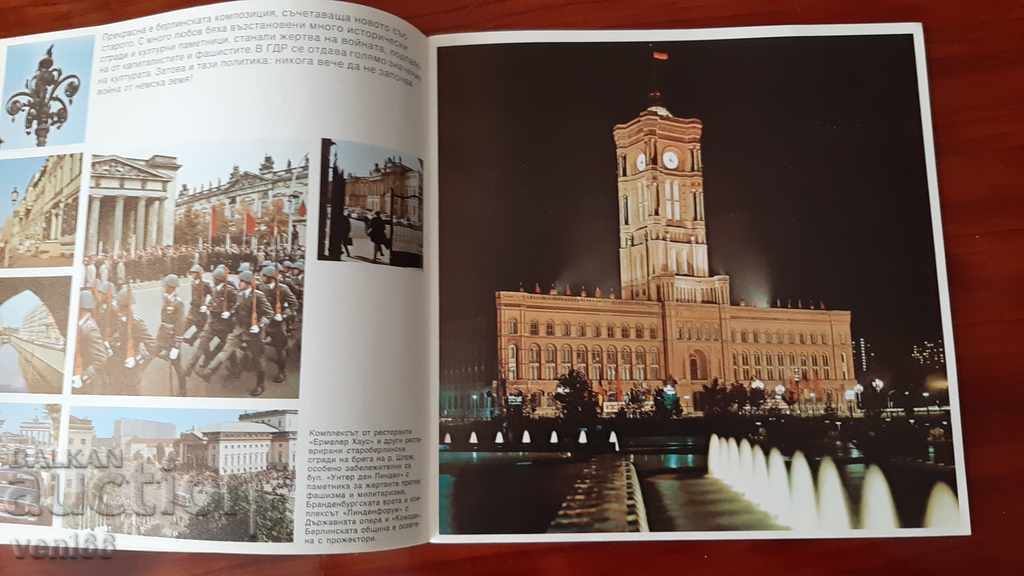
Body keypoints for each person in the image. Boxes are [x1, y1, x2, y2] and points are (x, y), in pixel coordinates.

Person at [197, 270, 272, 396]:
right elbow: (236, 307)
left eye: (242, 281)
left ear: (248, 283)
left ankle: (260, 385)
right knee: (226, 351)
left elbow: (269, 313)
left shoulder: (258, 296)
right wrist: (229, 313)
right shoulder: (240, 294)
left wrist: (260, 325)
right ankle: (208, 372)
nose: (239, 283)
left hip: (253, 333)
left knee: (258, 359)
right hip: (239, 330)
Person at [184, 266, 236, 379]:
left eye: (215, 278)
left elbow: (238, 305)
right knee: (201, 346)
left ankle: (235, 369)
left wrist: (229, 312)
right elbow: (213, 302)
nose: (213, 280)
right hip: (211, 323)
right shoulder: (214, 288)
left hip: (223, 325)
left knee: (228, 349)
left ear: (220, 279)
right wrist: (207, 306)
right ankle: (188, 369)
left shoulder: (230, 290)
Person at [108, 286, 154, 394]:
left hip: (131, 373)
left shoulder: (136, 323)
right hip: (118, 370)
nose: (115, 306)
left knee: (133, 397)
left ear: (123, 306)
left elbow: (152, 348)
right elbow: (117, 338)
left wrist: (136, 359)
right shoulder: (120, 319)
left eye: (117, 304)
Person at [259, 265, 298, 384]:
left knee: (280, 349)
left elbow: (294, 304)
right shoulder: (261, 287)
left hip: (277, 323)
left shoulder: (283, 289)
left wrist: (284, 315)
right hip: (265, 322)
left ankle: (281, 371)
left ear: (271, 278)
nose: (262, 277)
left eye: (264, 276)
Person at [155, 274, 188, 396]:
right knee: (153, 351)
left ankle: (183, 389)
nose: (164, 288)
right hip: (162, 336)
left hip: (173, 338)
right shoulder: (166, 298)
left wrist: (176, 346)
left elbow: (180, 325)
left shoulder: (178, 303)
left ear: (172, 287)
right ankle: (165, 355)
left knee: (177, 365)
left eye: (166, 286)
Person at [74, 291, 110, 392]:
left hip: (90, 382)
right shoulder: (82, 324)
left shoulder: (89, 327)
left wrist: (83, 377)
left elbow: (101, 358)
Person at [183, 264, 213, 345]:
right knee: (183, 327)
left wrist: (207, 306)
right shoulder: (192, 283)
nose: (192, 274)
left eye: (194, 273)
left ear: (199, 274)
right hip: (193, 310)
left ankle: (192, 340)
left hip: (201, 311)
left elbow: (214, 295)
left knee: (203, 328)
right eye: (192, 273)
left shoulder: (206, 284)